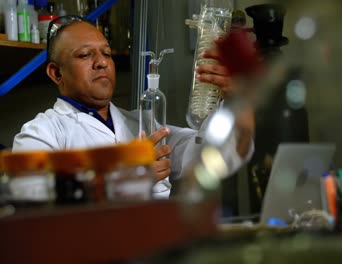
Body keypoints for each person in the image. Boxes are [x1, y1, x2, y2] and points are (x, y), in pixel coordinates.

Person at [12, 16, 254, 198]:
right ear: (56, 73)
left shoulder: (144, 125)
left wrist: (238, 100)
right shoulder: (41, 132)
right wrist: (122, 181)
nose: (101, 63)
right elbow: (29, 200)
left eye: (106, 53)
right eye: (85, 55)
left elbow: (216, 155)